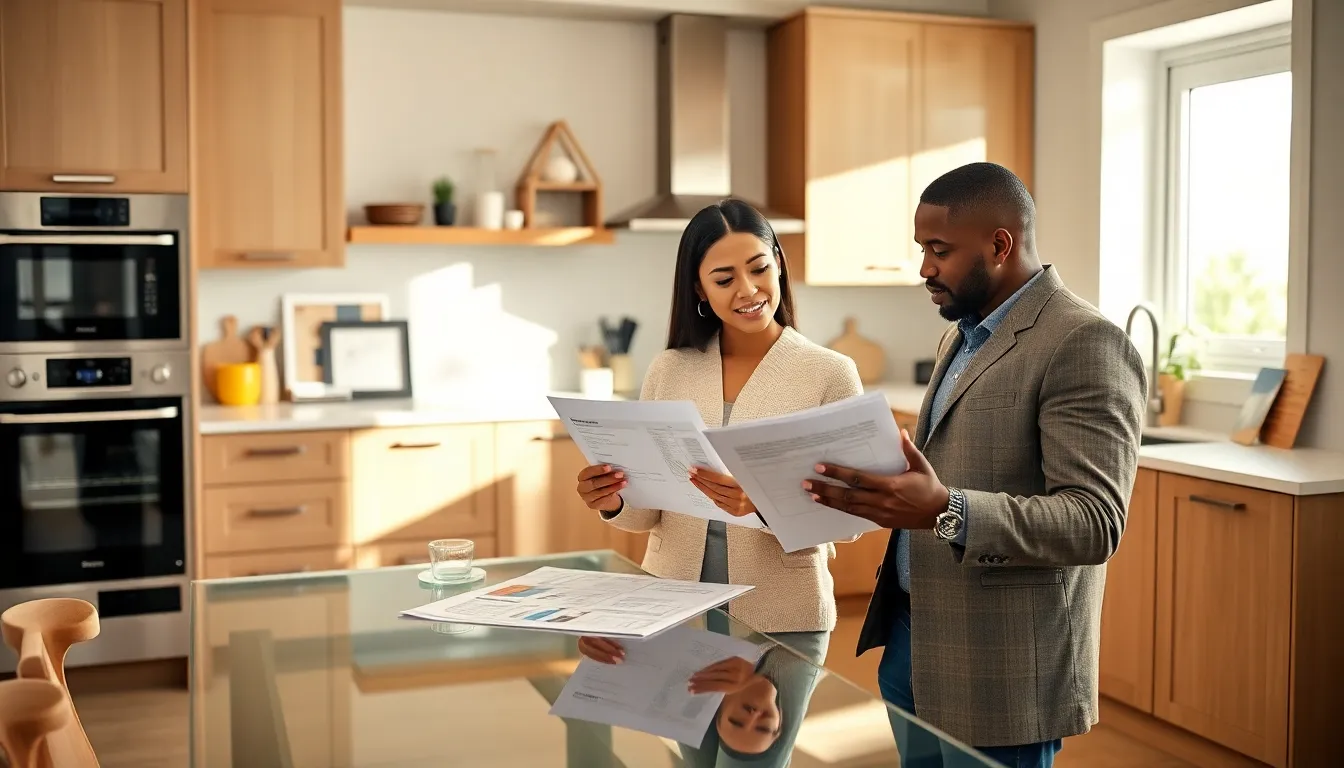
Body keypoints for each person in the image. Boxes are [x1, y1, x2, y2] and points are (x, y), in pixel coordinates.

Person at [802, 162, 1147, 767]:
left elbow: (1094, 523)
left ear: (1000, 244)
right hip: (915, 638)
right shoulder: (960, 336)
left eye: (939, 250)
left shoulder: (1083, 341)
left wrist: (947, 509)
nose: (924, 268)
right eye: (922, 249)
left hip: (1002, 662)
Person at [573, 198, 864, 665]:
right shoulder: (670, 369)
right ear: (700, 289)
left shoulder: (829, 373)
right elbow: (647, 515)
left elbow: (852, 515)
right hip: (669, 606)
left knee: (765, 720)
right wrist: (613, 500)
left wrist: (763, 505)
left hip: (784, 614)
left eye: (759, 269)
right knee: (680, 720)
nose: (748, 290)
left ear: (779, 264)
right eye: (724, 280)